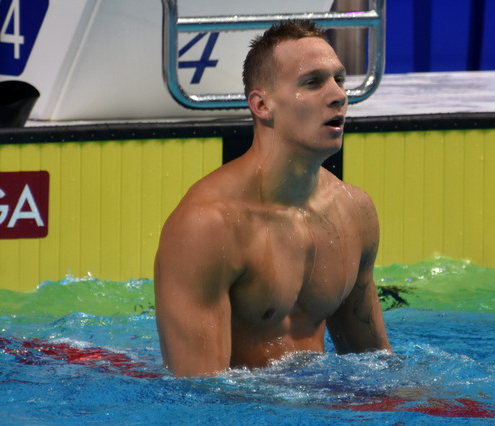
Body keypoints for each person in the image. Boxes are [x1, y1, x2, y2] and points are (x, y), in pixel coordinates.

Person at [154, 20, 392, 377]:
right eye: (312, 83)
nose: (339, 95)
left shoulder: (355, 213)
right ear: (262, 105)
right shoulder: (208, 227)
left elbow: (377, 369)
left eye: (339, 80)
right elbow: (200, 399)